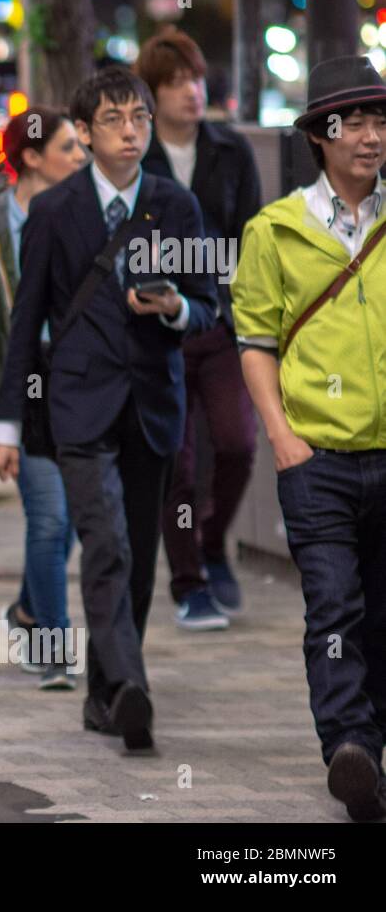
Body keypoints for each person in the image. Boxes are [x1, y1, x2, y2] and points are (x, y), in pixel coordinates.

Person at [0, 66, 218, 754]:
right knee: (107, 541)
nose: (131, 131)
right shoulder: (55, 211)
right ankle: (129, 687)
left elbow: (212, 307)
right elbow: (26, 322)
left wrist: (175, 306)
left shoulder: (176, 206)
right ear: (84, 133)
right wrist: (7, 423)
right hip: (78, 407)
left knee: (139, 553)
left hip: (153, 403)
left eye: (141, 118)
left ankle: (103, 692)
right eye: (115, 120)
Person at [232, 54, 386, 822]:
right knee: (333, 606)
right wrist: (283, 439)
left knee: (383, 612)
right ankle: (349, 748)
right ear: (320, 138)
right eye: (352, 122)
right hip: (316, 460)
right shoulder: (277, 230)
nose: (370, 135)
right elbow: (254, 341)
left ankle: (373, 747)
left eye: (380, 121)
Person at [0, 107, 87, 689]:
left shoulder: (84, 218)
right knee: (50, 518)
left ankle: (27, 611)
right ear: (31, 157)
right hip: (21, 394)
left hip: (79, 392)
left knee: (72, 521)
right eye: (69, 147)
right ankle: (52, 645)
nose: (81, 156)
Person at [135, 27, 262, 630]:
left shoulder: (229, 151)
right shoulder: (137, 157)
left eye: (195, 78)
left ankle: (212, 545)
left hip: (220, 326)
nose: (191, 91)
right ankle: (190, 583)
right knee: (178, 464)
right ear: (152, 94)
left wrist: (246, 312)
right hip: (158, 332)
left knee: (238, 444)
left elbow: (251, 239)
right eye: (175, 82)